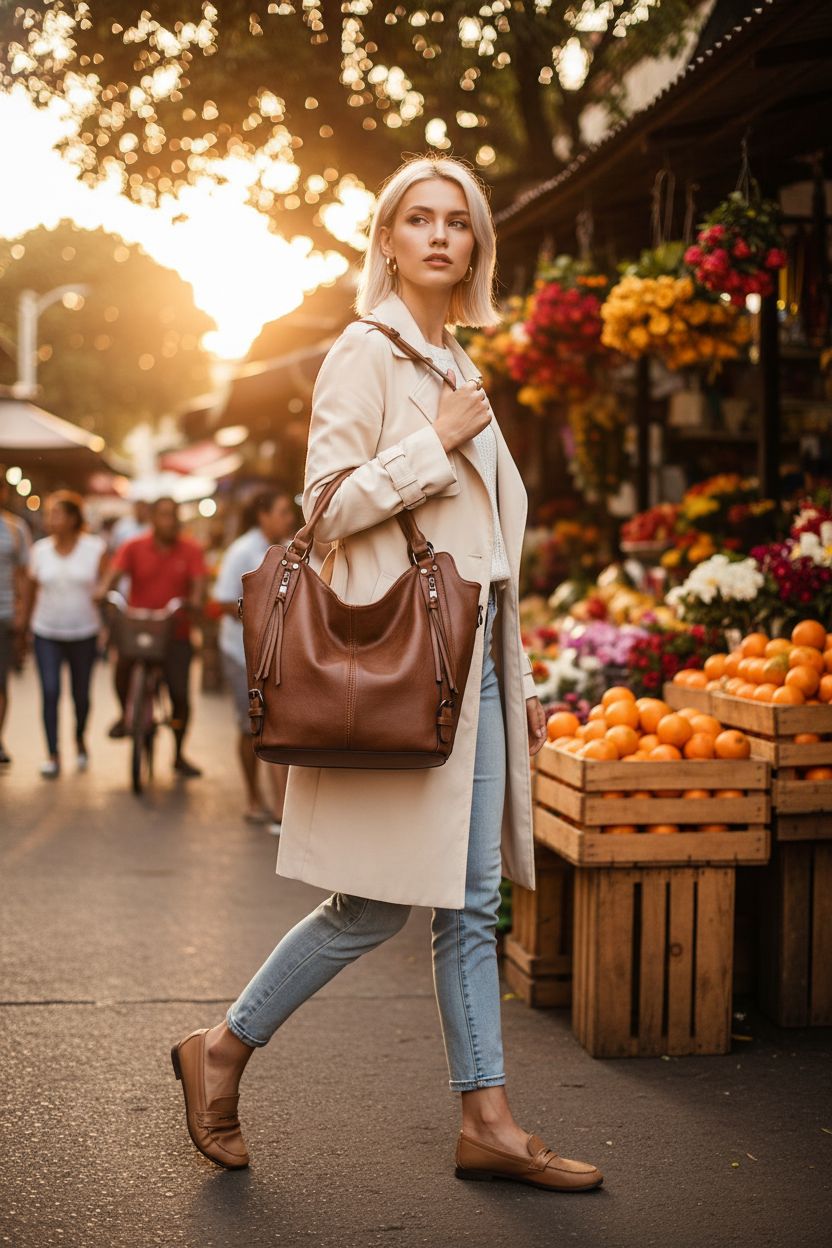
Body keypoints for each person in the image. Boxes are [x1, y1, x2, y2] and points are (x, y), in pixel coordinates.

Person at [170, 155, 603, 1193]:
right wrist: (430, 446)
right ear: (389, 240)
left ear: (478, 246)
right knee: (371, 906)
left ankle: (488, 1121)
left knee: (472, 902)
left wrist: (526, 678)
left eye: (459, 221)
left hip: (480, 667)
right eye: (420, 219)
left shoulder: (458, 360)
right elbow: (321, 509)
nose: (441, 235)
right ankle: (221, 1049)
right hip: (412, 666)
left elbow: (489, 550)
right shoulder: (369, 355)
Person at [99, 496, 206, 778]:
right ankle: (126, 715)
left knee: (180, 695)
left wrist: (194, 601)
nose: (168, 522)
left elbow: (198, 584)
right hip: (139, 630)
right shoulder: (133, 546)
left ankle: (179, 753)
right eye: (163, 515)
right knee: (121, 669)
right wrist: (103, 592)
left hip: (176, 632)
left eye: (173, 516)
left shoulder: (191, 550)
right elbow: (112, 575)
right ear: (152, 519)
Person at [212, 487, 296, 831]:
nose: (289, 519)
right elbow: (220, 600)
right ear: (263, 516)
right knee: (250, 726)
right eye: (282, 512)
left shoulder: (290, 548)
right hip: (240, 651)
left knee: (275, 723)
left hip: (277, 652)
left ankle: (282, 806)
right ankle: (253, 798)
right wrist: (260, 615)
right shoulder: (242, 551)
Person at [20, 491, 108, 778]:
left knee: (81, 695)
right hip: (47, 631)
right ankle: (53, 754)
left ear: (72, 519)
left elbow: (108, 586)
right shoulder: (40, 550)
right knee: (50, 691)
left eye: (56, 514)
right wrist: (24, 628)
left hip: (84, 632)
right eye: (49, 514)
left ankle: (80, 739)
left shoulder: (94, 548)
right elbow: (31, 590)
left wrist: (105, 611)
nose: (50, 520)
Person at [0, 469, 31, 766]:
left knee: (0, 682)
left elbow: (23, 575)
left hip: (4, 614)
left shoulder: (14, 528)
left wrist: (23, 614)